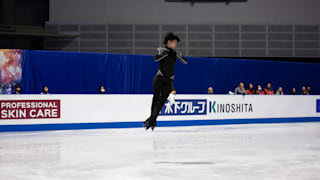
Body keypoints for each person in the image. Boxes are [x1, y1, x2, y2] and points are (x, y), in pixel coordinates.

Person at [143, 32, 188, 130]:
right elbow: (156, 59)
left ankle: (151, 120)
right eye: (174, 43)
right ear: (169, 42)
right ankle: (152, 121)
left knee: (162, 102)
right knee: (156, 99)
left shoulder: (175, 53)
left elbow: (185, 61)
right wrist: (167, 53)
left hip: (169, 81)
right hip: (159, 78)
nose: (175, 45)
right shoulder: (161, 50)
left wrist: (177, 54)